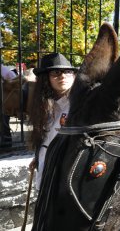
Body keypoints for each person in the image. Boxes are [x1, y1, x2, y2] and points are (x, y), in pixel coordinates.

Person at [28, 53, 77, 190]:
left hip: (66, 172)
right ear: (46, 78)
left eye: (67, 72)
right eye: (56, 72)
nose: (62, 76)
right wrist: (38, 157)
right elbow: (47, 137)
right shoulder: (46, 106)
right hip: (46, 167)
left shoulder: (80, 105)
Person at [0, 64, 17, 147]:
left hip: (6, 101)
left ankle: (7, 142)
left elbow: (16, 84)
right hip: (4, 100)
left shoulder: (5, 71)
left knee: (4, 121)